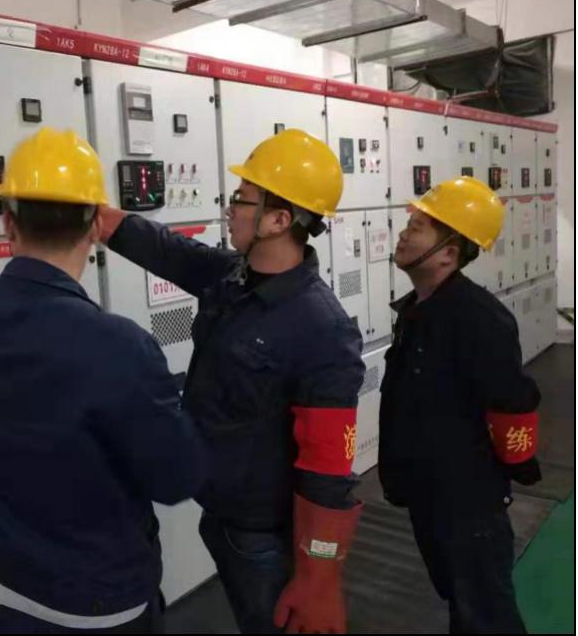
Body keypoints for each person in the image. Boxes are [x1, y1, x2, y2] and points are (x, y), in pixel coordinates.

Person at [0, 127, 206, 633]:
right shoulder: (124, 347)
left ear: (8, 224)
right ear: (96, 226)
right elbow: (176, 478)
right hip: (102, 607)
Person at [99, 129, 365, 634]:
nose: (230, 210)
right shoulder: (233, 277)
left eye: (242, 200)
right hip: (219, 512)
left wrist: (319, 579)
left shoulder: (321, 328)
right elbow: (170, 251)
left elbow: (328, 472)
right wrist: (97, 217)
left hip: (262, 534)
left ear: (279, 220)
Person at [380, 176, 542, 633]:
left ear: (448, 253)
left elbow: (513, 403)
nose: (403, 234)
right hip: (430, 495)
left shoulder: (478, 319)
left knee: (486, 615)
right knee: (463, 604)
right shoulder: (418, 311)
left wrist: (513, 468)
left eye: (417, 228)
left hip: (467, 505)